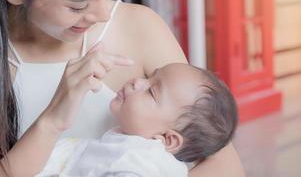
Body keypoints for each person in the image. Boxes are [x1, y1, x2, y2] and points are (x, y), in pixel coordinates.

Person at [0, 0, 245, 176]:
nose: (102, 14)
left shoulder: (138, 25)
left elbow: (225, 164)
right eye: (78, 5)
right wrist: (52, 117)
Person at [36, 63, 238, 177]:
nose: (137, 81)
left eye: (151, 92)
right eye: (150, 76)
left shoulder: (140, 161)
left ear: (167, 139)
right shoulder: (125, 144)